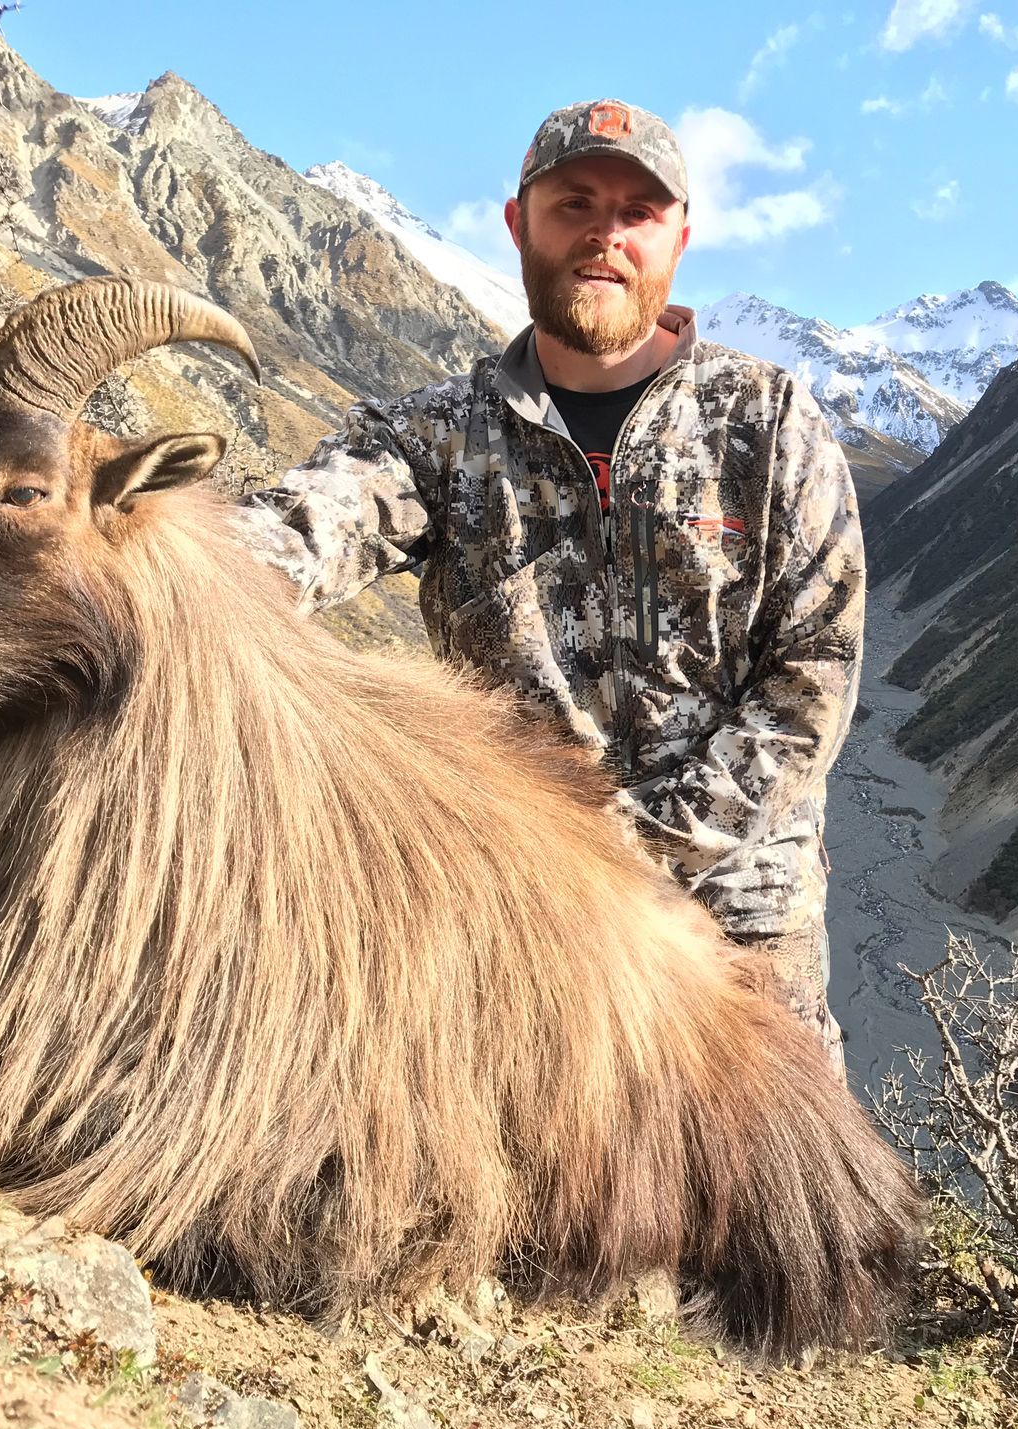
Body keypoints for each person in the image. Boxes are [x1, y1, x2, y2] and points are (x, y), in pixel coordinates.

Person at [239, 98, 863, 1066]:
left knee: (775, 1194)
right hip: (523, 914)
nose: (604, 237)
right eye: (574, 204)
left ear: (679, 241)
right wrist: (143, 557)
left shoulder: (770, 422)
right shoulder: (435, 438)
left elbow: (814, 672)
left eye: (637, 214)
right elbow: (302, 530)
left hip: (738, 915)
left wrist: (650, 851)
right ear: (518, 223)